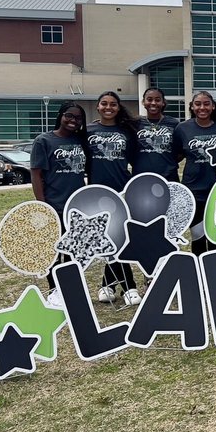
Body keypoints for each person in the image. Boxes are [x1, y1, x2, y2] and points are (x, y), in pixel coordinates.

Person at [30, 101, 89, 307]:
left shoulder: (80, 141)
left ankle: (70, 289)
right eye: (69, 116)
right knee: (54, 251)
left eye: (78, 118)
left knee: (73, 250)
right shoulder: (44, 141)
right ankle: (54, 290)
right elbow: (36, 175)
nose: (73, 121)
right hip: (54, 204)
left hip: (77, 207)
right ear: (61, 116)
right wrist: (42, 206)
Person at [87, 91, 143, 306]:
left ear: (119, 108)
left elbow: (134, 158)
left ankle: (114, 285)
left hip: (122, 190)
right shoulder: (88, 130)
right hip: (96, 193)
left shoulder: (126, 131)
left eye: (113, 104)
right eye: (104, 103)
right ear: (98, 106)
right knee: (110, 240)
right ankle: (124, 286)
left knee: (119, 239)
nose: (108, 107)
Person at [173, 91, 216, 255]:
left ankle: (214, 271)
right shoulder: (182, 129)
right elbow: (176, 155)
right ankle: (198, 271)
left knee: (215, 235)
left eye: (206, 104)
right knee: (197, 235)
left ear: (213, 106)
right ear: (192, 106)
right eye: (198, 104)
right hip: (193, 191)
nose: (202, 107)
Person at [134, 87, 180, 181]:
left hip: (169, 177)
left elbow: (181, 151)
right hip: (141, 177)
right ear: (143, 102)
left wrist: (167, 162)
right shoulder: (135, 123)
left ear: (163, 102)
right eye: (149, 99)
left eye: (157, 100)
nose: (153, 103)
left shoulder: (174, 124)